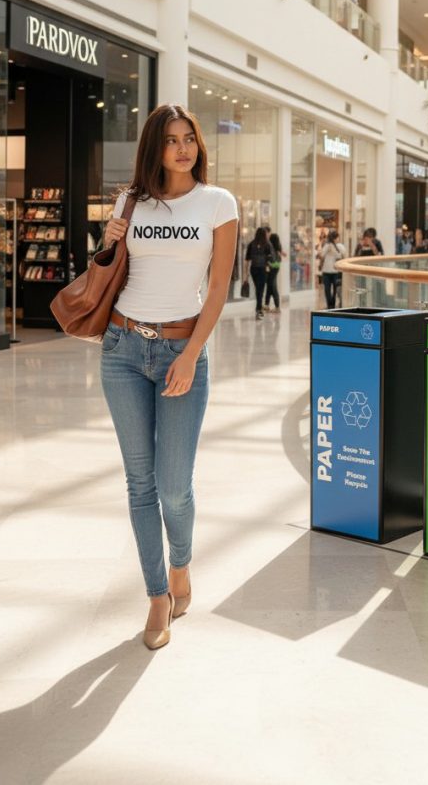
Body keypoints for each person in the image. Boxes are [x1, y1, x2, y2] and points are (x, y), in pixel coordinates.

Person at [100, 103, 238, 651]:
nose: (183, 148)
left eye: (190, 139)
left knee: (174, 487)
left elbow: (220, 287)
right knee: (140, 483)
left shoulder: (217, 203)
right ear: (154, 148)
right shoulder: (131, 201)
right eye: (171, 140)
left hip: (183, 348)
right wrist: (110, 238)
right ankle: (158, 593)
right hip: (121, 346)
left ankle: (181, 565)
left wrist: (191, 353)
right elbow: (111, 271)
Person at [244, 227, 273, 320]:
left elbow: (247, 260)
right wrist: (268, 267)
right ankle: (259, 310)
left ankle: (259, 309)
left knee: (258, 289)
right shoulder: (267, 244)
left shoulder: (251, 244)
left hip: (254, 269)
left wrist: (246, 274)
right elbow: (269, 259)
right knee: (260, 290)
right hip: (263, 269)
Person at [317, 228, 345, 309]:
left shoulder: (338, 246)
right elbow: (322, 255)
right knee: (329, 289)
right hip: (329, 271)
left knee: (332, 289)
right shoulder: (328, 245)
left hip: (333, 271)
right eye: (337, 237)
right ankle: (330, 304)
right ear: (335, 238)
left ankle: (331, 304)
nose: (338, 239)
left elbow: (322, 256)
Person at [265, 232, 286, 313]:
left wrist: (268, 263)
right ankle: (266, 305)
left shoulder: (271, 247)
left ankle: (277, 307)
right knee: (270, 286)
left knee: (272, 287)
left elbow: (270, 259)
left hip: (272, 268)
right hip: (276, 267)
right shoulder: (277, 247)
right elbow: (280, 258)